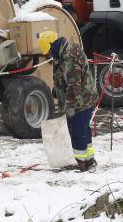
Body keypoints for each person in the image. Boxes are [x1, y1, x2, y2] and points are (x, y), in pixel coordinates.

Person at [38, 30, 98, 172]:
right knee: (82, 129)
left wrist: (70, 106)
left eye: (49, 52)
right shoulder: (62, 52)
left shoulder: (70, 55)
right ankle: (89, 160)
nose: (49, 55)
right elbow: (61, 76)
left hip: (81, 101)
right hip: (79, 99)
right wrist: (57, 89)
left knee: (78, 130)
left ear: (53, 45)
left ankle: (82, 162)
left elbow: (73, 84)